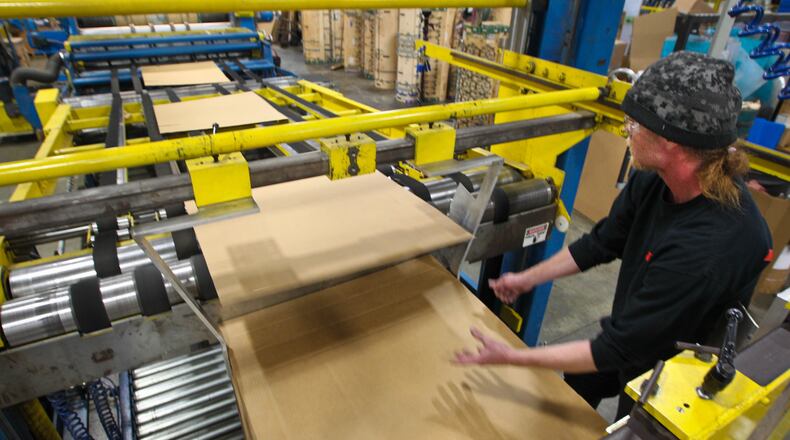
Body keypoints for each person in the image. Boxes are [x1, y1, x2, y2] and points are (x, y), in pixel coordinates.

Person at [453, 51, 773, 420]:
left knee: (635, 415)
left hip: (675, 365)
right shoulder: (656, 179)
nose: (626, 131)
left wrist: (512, 357)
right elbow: (602, 243)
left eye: (635, 124)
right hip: (640, 320)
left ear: (671, 139)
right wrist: (526, 278)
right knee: (581, 383)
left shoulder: (708, 249)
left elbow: (619, 348)